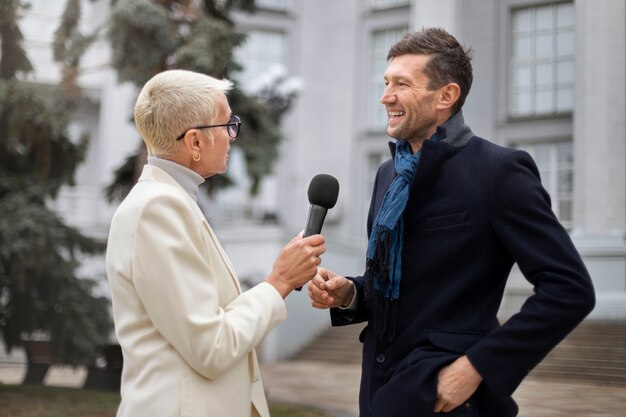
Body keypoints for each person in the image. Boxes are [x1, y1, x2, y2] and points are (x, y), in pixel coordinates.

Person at [308, 28, 595, 417]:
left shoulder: (500, 172)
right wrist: (350, 294)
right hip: (381, 396)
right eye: (386, 82)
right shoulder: (387, 176)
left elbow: (570, 289)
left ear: (446, 96)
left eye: (402, 84)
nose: (385, 96)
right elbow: (401, 288)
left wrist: (476, 367)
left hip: (450, 400)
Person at [106, 69, 325, 417]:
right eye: (227, 125)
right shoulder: (158, 207)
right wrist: (279, 281)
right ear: (194, 142)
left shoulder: (170, 200)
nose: (232, 136)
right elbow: (211, 346)